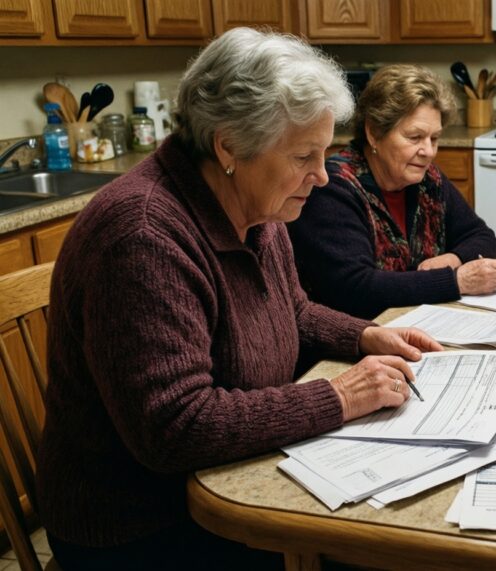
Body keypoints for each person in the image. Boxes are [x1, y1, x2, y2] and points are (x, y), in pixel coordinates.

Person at [36, 28, 443, 570]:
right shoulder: (142, 237)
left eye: (323, 154)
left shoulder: (255, 203)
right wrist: (340, 396)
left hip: (229, 479)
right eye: (304, 155)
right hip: (144, 526)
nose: (321, 177)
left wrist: (365, 335)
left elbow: (293, 310)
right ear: (229, 146)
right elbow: (175, 428)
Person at [288, 64, 496, 320]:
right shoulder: (334, 188)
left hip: (415, 323)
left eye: (434, 138)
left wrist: (454, 258)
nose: (428, 151)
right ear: (374, 133)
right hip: (351, 343)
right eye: (414, 137)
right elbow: (356, 289)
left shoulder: (428, 179)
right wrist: (456, 281)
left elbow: (481, 236)